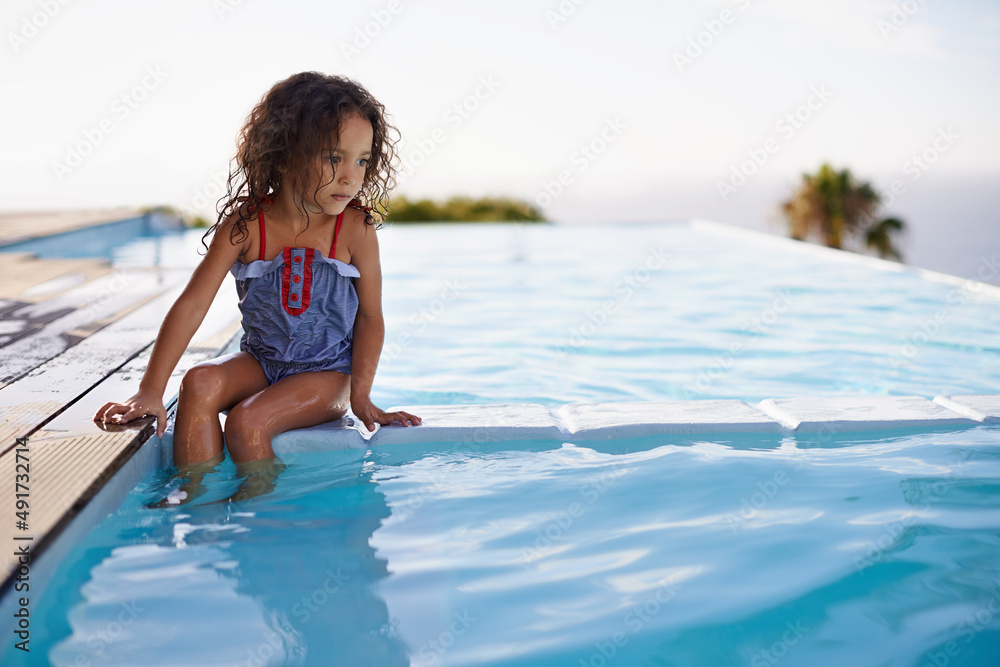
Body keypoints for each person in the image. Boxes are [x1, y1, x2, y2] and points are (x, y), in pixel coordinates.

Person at [94, 72, 421, 502]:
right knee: (198, 382)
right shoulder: (248, 226)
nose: (350, 177)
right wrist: (151, 390)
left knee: (248, 421)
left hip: (326, 375)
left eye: (361, 161)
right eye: (333, 158)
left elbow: (370, 316)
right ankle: (193, 497)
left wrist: (361, 395)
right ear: (284, 155)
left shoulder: (354, 229)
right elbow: (192, 306)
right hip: (262, 362)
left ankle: (256, 507)